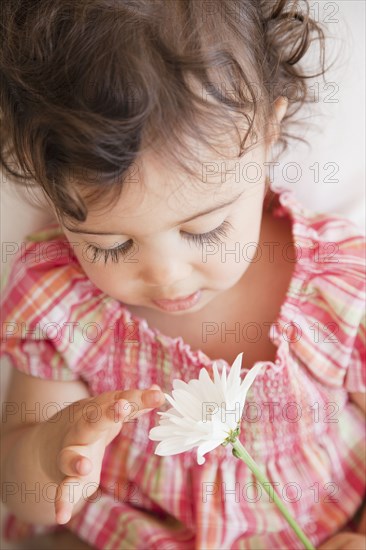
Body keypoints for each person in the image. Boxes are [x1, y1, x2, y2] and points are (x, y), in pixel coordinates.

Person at [1, 1, 365, 549]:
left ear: (268, 133)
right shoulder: (61, 301)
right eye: (111, 244)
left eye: (205, 230)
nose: (167, 278)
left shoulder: (340, 284)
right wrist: (53, 452)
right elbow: (21, 492)